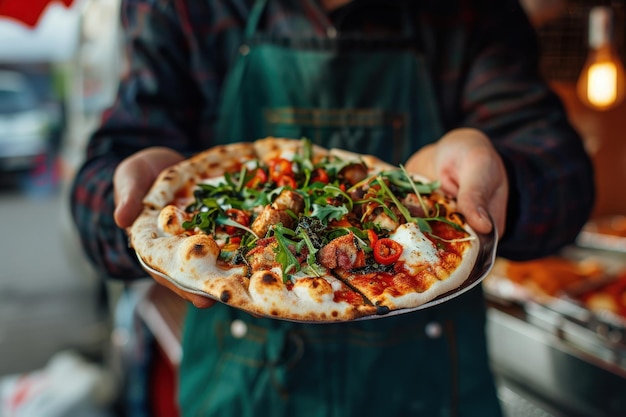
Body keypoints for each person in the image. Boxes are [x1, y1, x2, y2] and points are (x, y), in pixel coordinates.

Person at [70, 0, 595, 416]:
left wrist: (500, 176)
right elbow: (96, 187)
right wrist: (131, 206)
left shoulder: (467, 9)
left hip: (431, 387)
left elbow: (567, 179)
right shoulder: (181, 6)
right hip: (243, 391)